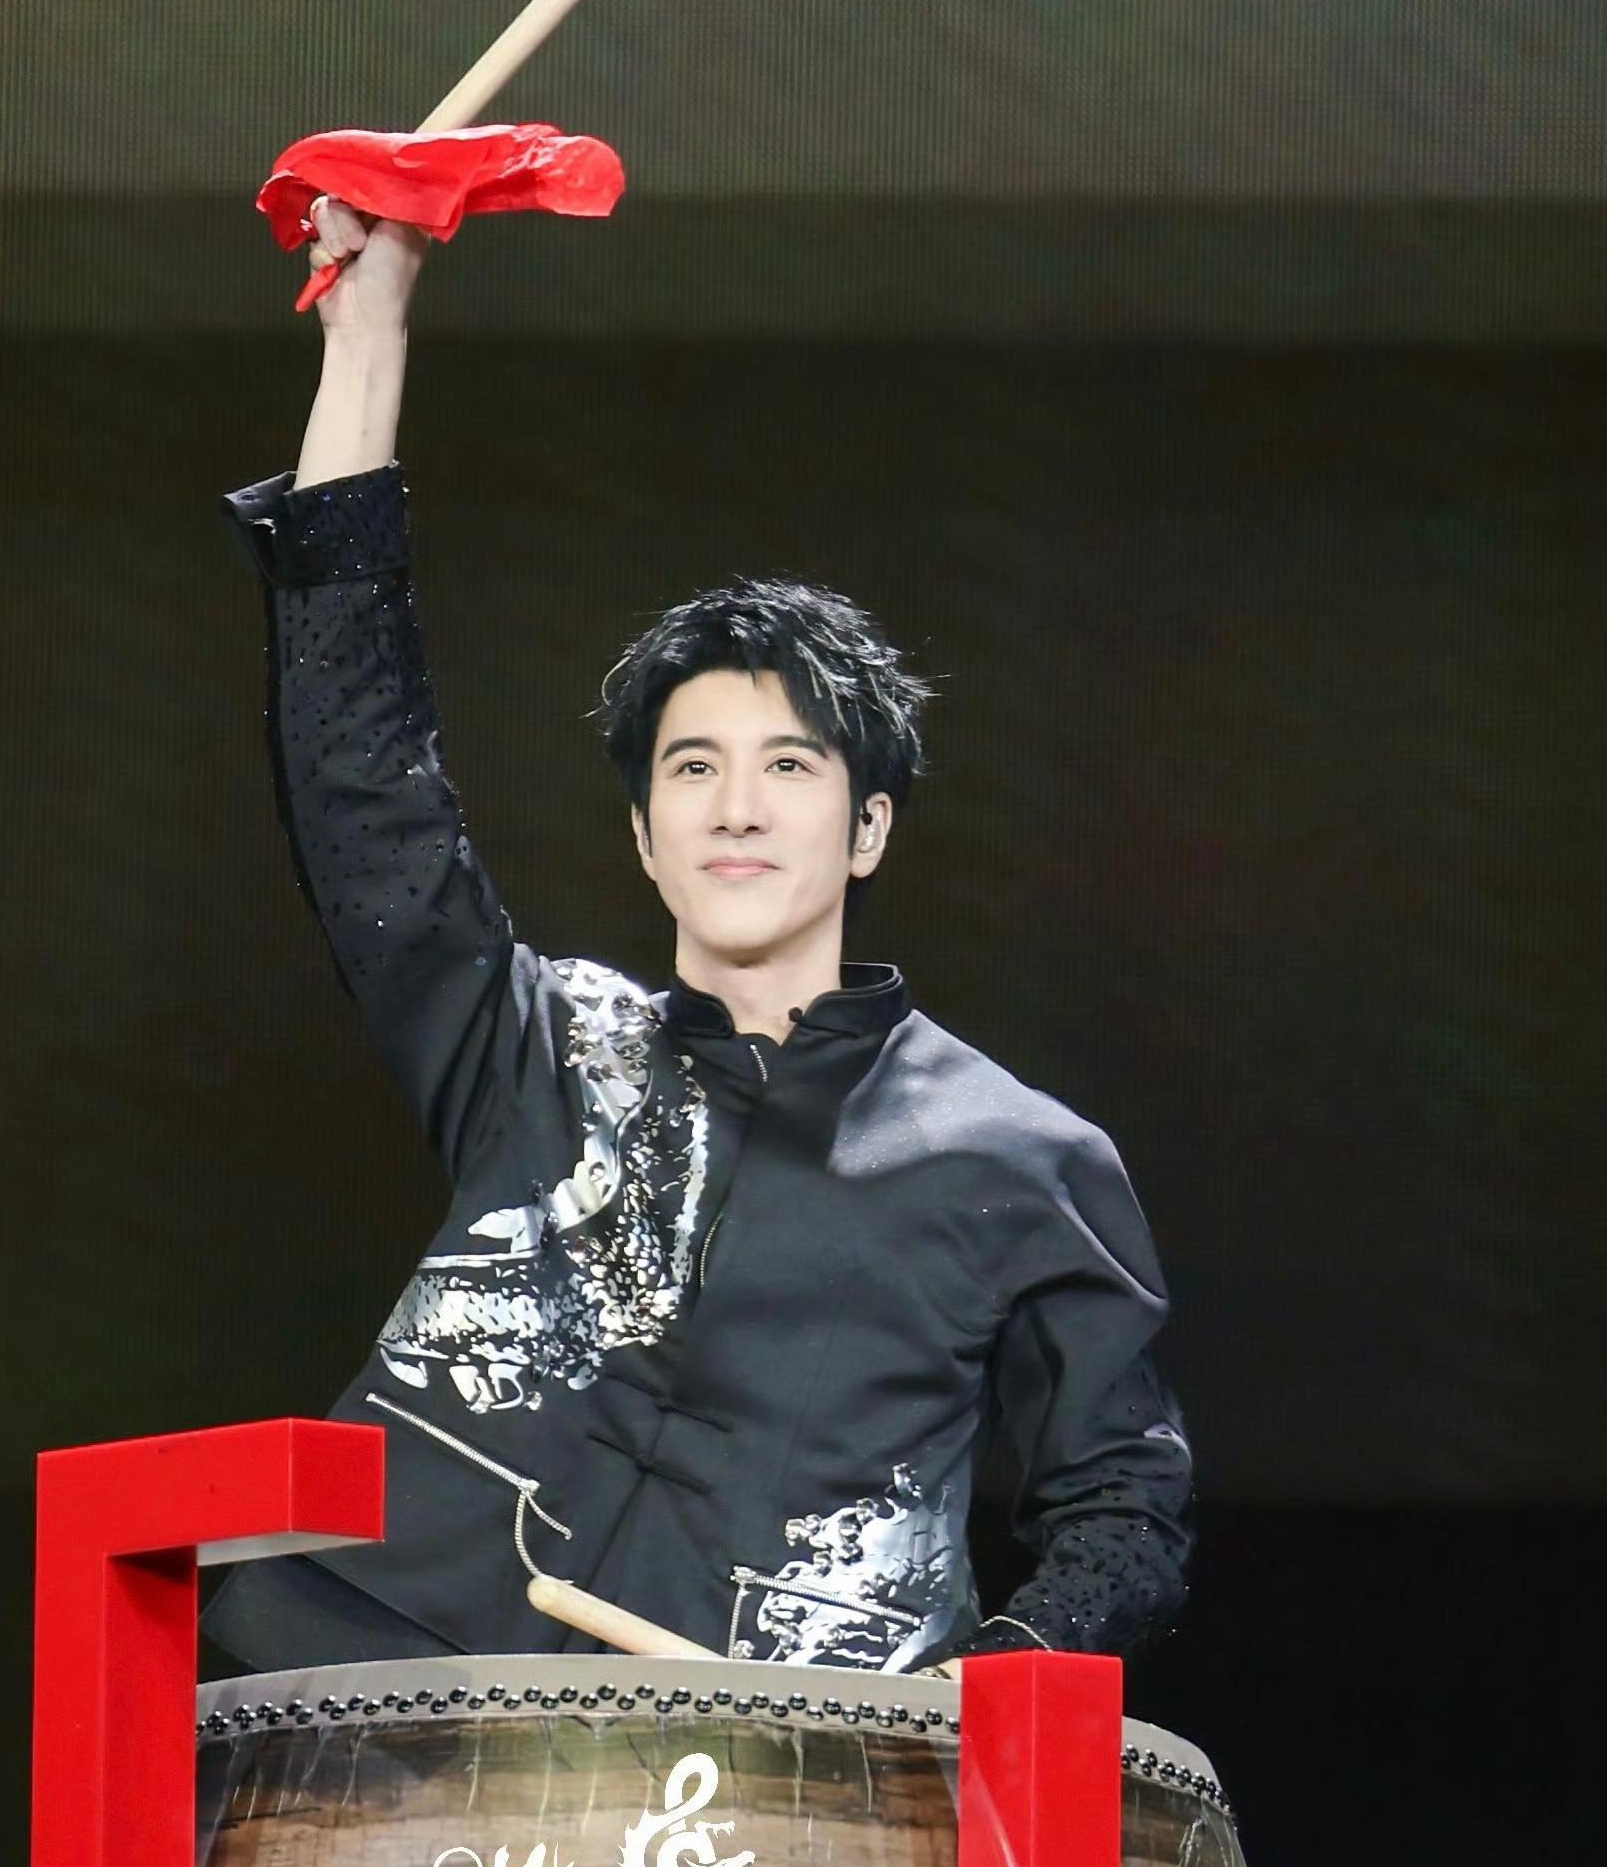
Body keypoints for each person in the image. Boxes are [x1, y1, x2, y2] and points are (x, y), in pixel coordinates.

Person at [203, 203, 1191, 1679]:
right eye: (692, 768)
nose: (738, 807)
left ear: (869, 829)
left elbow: (1124, 1507)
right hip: (383, 1706)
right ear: (644, 836)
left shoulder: (1023, 1162)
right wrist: (368, 331)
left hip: (766, 1771)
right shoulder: (538, 1053)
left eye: (790, 766)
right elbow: (362, 790)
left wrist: (966, 1710)